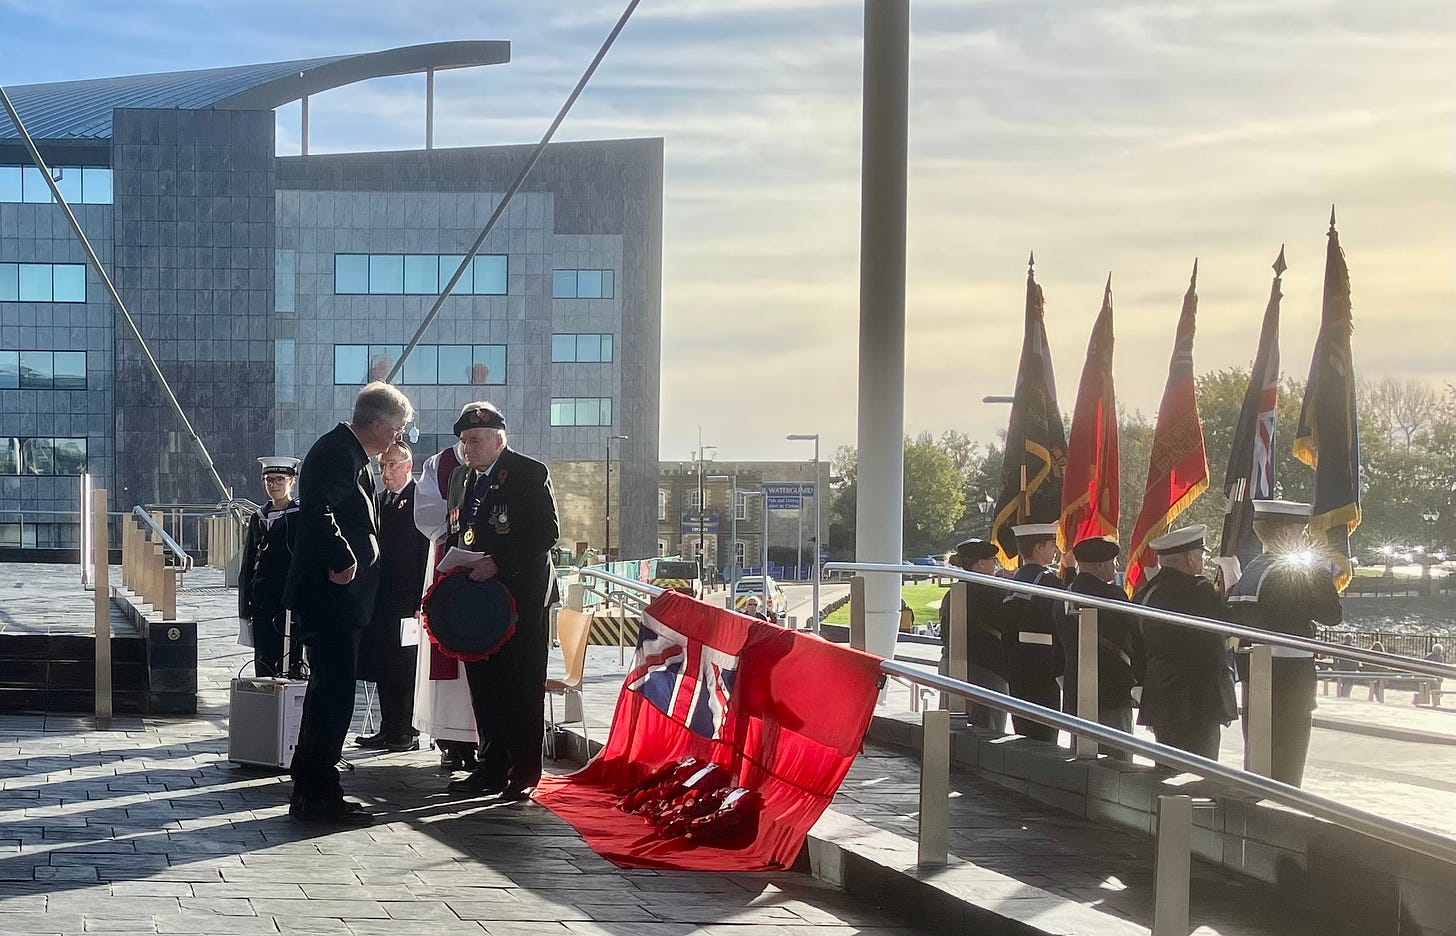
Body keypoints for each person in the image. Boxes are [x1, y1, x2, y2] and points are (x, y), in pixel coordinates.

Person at [284, 381, 414, 825]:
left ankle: (313, 786)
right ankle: (319, 792)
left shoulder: (350, 454)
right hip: (334, 596)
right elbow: (319, 510)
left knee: (331, 695)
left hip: (345, 599)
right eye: (397, 430)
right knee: (333, 697)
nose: (398, 439)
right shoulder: (338, 452)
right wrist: (344, 559)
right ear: (377, 423)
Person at [444, 403, 560, 800]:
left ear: (499, 439)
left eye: (475, 440)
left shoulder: (529, 473)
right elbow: (462, 532)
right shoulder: (462, 479)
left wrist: (498, 563)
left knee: (521, 684)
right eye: (463, 441)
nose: (467, 448)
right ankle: (490, 767)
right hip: (480, 601)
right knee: (485, 685)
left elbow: (546, 534)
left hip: (521, 597)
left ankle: (524, 773)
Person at [1226, 500, 1341, 787]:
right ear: (1286, 534)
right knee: (1286, 760)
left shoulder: (1253, 570)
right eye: (1300, 531)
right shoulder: (1289, 573)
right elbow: (1331, 614)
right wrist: (1318, 569)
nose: (1303, 537)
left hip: (1256, 674)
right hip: (1290, 676)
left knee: (1259, 755)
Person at [1134, 525, 1236, 760]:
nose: (1200, 560)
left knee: (1167, 770)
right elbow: (1229, 627)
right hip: (1199, 700)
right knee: (1201, 773)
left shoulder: (1147, 593)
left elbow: (1137, 644)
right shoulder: (1199, 590)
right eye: (1199, 555)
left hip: (1161, 697)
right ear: (1190, 558)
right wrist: (1231, 584)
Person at [413, 434, 481, 772]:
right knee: (447, 658)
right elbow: (426, 513)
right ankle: (451, 742)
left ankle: (487, 741)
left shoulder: (501, 466)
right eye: (468, 437)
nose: (471, 444)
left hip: (487, 575)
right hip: (447, 561)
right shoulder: (439, 465)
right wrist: (462, 523)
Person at [355, 441, 429, 752]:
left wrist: (420, 602)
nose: (386, 472)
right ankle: (387, 727)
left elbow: (425, 553)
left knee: (405, 665)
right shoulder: (380, 500)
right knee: (385, 663)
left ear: (408, 466)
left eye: (393, 465)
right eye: (382, 466)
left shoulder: (419, 500)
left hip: (407, 599)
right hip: (382, 599)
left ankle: (407, 730)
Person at [1057, 536, 1144, 760]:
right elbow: (1137, 635)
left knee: (1082, 756)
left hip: (1077, 688)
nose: (1116, 567)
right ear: (1099, 566)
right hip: (1112, 690)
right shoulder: (1113, 596)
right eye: (1113, 562)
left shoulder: (1063, 595)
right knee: (1118, 758)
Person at [237, 457, 302, 679]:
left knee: (290, 659)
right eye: (268, 480)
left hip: (289, 599)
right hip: (263, 599)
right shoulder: (259, 516)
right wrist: (244, 608)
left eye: (279, 480)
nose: (273, 485)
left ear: (292, 481)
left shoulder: (299, 516)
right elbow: (248, 563)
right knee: (263, 660)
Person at [1001, 522, 1065, 743]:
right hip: (1043, 662)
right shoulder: (1048, 581)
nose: (1055, 550)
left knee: (1024, 731)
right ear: (1038, 547)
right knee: (1045, 733)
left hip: (1017, 663)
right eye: (1051, 544)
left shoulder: (1015, 579)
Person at [937, 539, 1009, 733]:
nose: (996, 565)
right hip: (987, 669)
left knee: (950, 729)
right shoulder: (993, 592)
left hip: (952, 663)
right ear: (981, 564)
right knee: (989, 730)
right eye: (993, 560)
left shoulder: (953, 593)